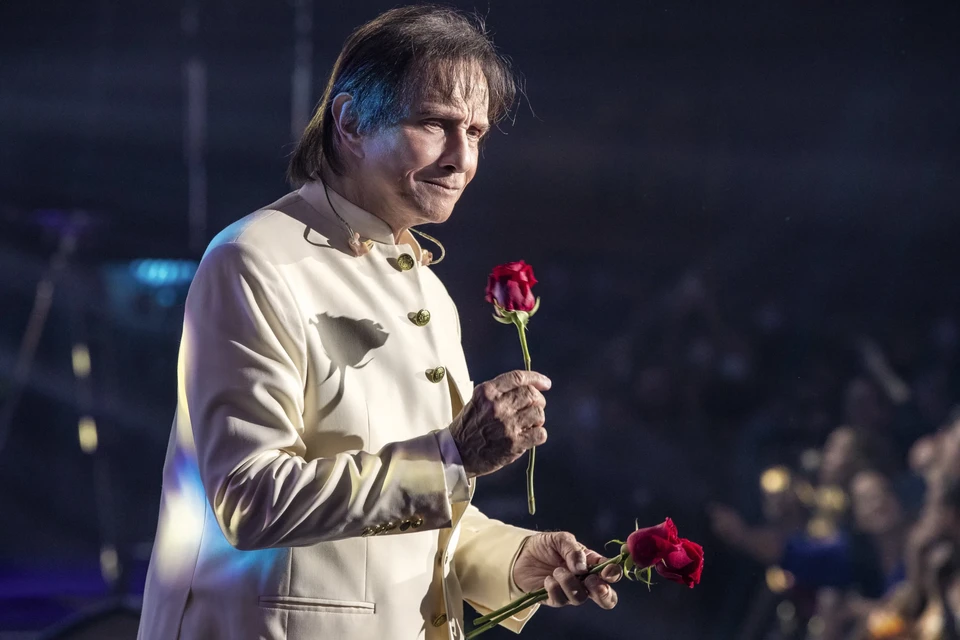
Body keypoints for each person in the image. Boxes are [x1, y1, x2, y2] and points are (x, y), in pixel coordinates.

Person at [137, 6, 621, 640]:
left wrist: (511, 562)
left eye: (475, 132)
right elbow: (249, 497)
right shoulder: (254, 259)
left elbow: (402, 509)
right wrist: (453, 455)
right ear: (351, 121)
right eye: (436, 124)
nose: (462, 158)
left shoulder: (426, 289)